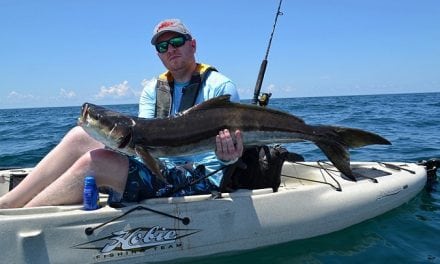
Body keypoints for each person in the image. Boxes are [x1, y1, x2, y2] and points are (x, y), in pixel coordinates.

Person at [0, 18, 243, 208]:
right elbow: (141, 139)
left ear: (193, 45)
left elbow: (230, 153)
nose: (170, 49)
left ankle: (25, 221)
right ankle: (9, 204)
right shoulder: (153, 90)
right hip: (158, 166)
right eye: (162, 46)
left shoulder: (220, 86)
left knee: (97, 163)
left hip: (199, 178)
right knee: (78, 136)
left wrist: (229, 156)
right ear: (158, 53)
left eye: (177, 42)